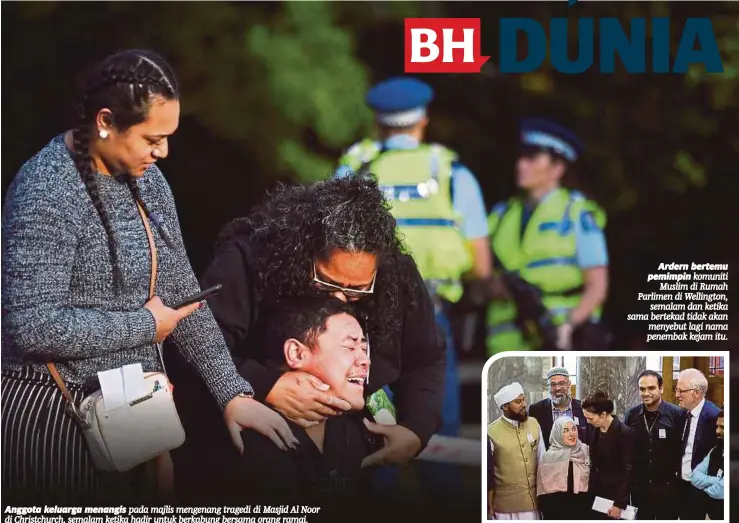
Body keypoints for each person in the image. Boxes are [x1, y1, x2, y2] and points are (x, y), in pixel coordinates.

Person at [0, 49, 295, 505]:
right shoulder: (46, 190)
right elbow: (33, 325)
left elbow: (182, 297)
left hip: (131, 414)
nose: (164, 151)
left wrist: (231, 394)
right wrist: (144, 326)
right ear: (105, 121)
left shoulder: (148, 180)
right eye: (152, 138)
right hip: (53, 420)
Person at [172, 174, 444, 501]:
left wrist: (416, 429)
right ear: (303, 251)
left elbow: (425, 357)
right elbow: (192, 345)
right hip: (250, 450)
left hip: (351, 453)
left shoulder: (397, 274)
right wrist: (265, 383)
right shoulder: (249, 259)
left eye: (358, 290)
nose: (341, 300)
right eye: (328, 284)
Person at [336, 76, 491, 492]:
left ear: (378, 122)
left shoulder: (354, 166)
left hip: (363, 320)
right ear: (423, 120)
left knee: (373, 427)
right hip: (432, 315)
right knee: (437, 424)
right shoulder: (451, 172)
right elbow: (481, 263)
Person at [486, 118, 609, 354]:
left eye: (532, 158)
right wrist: (492, 285)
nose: (521, 165)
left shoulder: (576, 212)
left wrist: (569, 325)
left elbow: (598, 285)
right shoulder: (501, 215)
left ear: (557, 168)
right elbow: (480, 279)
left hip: (559, 341)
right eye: (521, 157)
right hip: (506, 349)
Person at [236, 296, 375, 501]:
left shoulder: (354, 434)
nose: (365, 361)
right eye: (349, 346)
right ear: (296, 353)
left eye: (364, 349)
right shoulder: (247, 438)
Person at [622, 370, 684, 520]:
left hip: (667, 486)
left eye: (651, 388)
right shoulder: (632, 414)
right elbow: (627, 450)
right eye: (642, 389)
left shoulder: (677, 414)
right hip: (640, 487)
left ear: (661, 389)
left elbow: (682, 449)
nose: (646, 393)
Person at [487, 382, 544, 520]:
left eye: (523, 399)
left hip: (535, 506)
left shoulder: (534, 424)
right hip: (505, 511)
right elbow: (488, 474)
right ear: (505, 406)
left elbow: (543, 460)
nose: (524, 404)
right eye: (518, 401)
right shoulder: (491, 432)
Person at [675, 368, 721, 520]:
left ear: (696, 393)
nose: (677, 395)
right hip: (679, 483)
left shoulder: (715, 417)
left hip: (701, 489)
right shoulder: (681, 413)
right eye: (676, 390)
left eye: (681, 391)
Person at [582, 391, 634, 520]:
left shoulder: (623, 433)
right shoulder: (595, 430)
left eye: (590, 418)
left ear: (603, 414)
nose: (588, 422)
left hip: (614, 497)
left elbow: (627, 471)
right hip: (596, 494)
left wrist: (619, 503)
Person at [537, 416, 591, 520]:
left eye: (574, 429)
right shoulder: (548, 457)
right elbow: (543, 494)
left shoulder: (585, 451)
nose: (572, 434)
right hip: (557, 512)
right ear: (557, 433)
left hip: (584, 511)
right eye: (566, 431)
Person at [528, 366, 592, 449]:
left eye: (562, 384)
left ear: (569, 384)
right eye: (553, 384)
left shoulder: (583, 408)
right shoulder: (536, 410)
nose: (557, 388)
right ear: (548, 386)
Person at [690, 410, 724, 520]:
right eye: (717, 426)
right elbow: (694, 476)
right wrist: (717, 480)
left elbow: (721, 491)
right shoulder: (715, 451)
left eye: (723, 427)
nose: (717, 431)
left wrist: (704, 489)